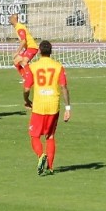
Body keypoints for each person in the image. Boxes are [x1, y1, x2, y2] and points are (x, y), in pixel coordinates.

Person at [23, 40, 71, 175]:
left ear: (39, 51)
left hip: (38, 106)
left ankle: (40, 155)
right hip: (53, 106)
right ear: (51, 51)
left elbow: (27, 88)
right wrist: (68, 108)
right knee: (50, 136)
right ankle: (50, 167)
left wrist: (26, 100)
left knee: (34, 135)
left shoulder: (33, 67)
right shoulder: (58, 66)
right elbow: (63, 87)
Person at [9, 13, 39, 81]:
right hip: (28, 48)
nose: (9, 20)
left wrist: (17, 52)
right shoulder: (17, 27)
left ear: (14, 19)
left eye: (10, 18)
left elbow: (23, 41)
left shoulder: (19, 28)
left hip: (32, 47)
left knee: (23, 62)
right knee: (16, 62)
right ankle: (26, 78)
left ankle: (30, 78)